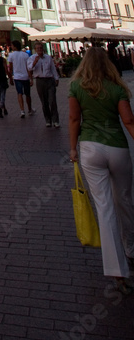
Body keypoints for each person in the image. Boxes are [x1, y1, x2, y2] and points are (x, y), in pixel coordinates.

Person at [69, 47, 134, 287]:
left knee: (104, 207)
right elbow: (128, 121)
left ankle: (117, 270)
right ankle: (131, 247)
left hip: (89, 149)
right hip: (117, 147)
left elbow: (74, 118)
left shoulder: (76, 87)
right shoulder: (117, 88)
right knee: (125, 200)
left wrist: (73, 148)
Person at [29, 42, 60, 127]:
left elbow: (53, 68)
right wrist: (35, 62)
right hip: (40, 81)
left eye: (40, 48)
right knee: (44, 102)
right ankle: (48, 120)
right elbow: (29, 68)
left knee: (52, 100)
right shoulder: (32, 58)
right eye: (37, 48)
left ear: (43, 49)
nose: (39, 50)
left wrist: (56, 78)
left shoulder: (48, 58)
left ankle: (56, 120)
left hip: (49, 80)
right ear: (35, 50)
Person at [7, 40, 36, 119]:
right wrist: (31, 78)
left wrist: (10, 78)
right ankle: (29, 109)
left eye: (12, 46)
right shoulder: (25, 55)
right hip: (25, 77)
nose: (11, 47)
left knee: (19, 93)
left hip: (17, 77)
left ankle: (22, 110)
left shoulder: (11, 55)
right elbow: (28, 68)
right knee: (27, 94)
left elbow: (10, 68)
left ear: (15, 46)